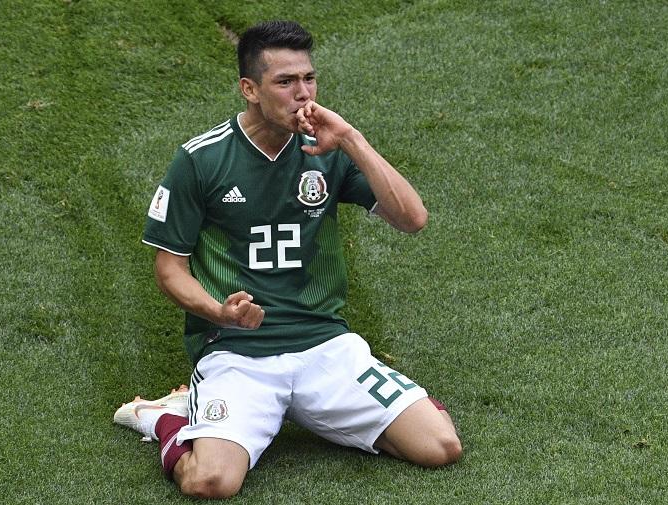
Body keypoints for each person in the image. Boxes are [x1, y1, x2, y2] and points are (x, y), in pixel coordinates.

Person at [113, 20, 462, 499]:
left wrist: (352, 139)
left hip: (324, 345)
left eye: (309, 78)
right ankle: (168, 417)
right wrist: (219, 312)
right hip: (238, 352)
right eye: (285, 81)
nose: (303, 93)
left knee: (441, 447)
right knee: (210, 481)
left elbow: (413, 219)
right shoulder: (201, 160)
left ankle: (304, 408)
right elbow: (169, 270)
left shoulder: (328, 148)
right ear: (249, 89)